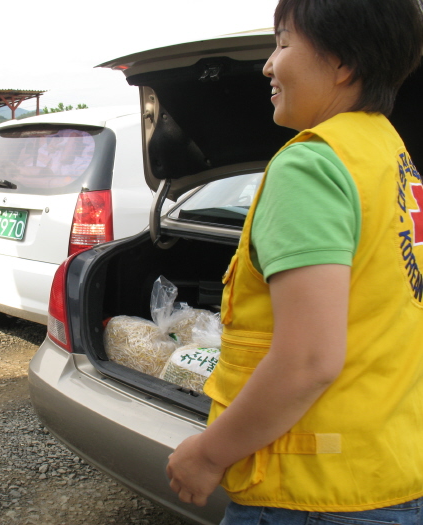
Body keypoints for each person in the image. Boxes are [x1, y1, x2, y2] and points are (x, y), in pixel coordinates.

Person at [166, 0, 423, 523]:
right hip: (386, 470)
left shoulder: (310, 165)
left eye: (282, 43)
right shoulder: (390, 153)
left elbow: (310, 361)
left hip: (311, 493)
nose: (267, 65)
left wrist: (209, 453)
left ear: (343, 63)